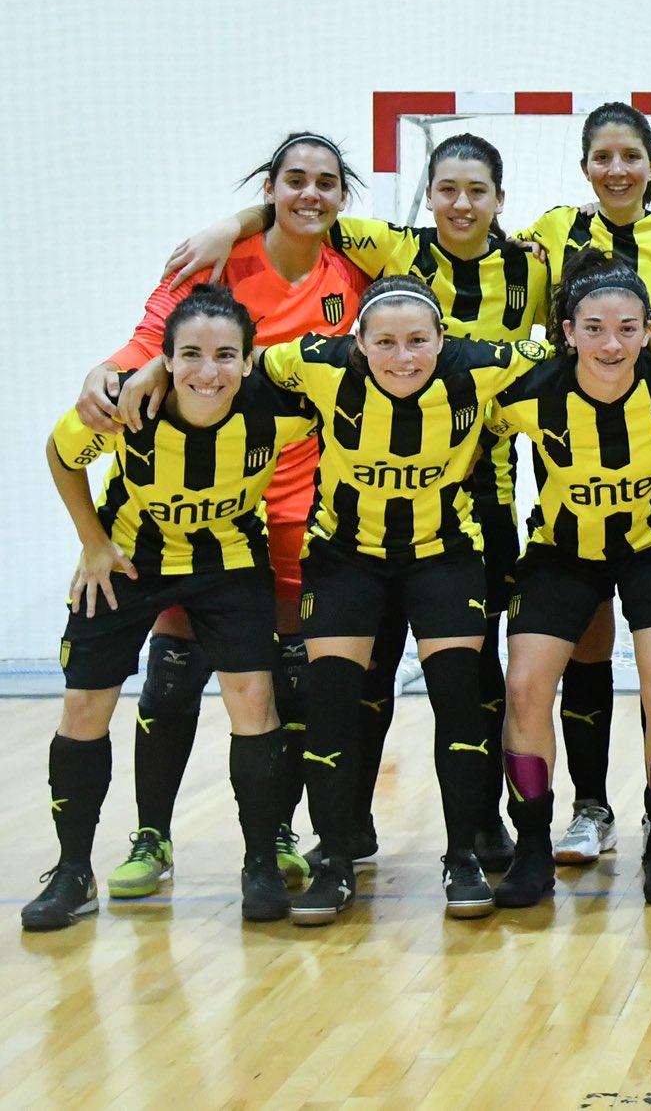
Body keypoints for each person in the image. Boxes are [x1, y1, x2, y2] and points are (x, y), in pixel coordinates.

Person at [173, 132, 550, 870]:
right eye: (448, 188)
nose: (462, 203)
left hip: (479, 494)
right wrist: (230, 225)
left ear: (501, 202)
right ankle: (347, 827)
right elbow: (304, 213)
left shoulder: (532, 266)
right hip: (364, 507)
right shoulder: (395, 251)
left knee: (473, 673)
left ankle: (482, 825)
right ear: (430, 193)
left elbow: (592, 319)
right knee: (358, 672)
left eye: (478, 191)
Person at [73, 132, 372, 900]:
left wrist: (241, 214)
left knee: (284, 681)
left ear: (344, 197)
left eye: (326, 183)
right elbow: (144, 349)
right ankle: (152, 835)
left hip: (301, 504)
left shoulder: (359, 270)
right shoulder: (215, 264)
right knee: (173, 675)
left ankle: (273, 828)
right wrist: (104, 376)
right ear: (268, 186)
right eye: (293, 180)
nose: (310, 193)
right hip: (196, 513)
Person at [252, 274, 548, 923]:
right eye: (384, 342)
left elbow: (577, 354)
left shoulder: (481, 365)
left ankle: (463, 856)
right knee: (331, 705)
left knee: (460, 702)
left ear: (445, 340)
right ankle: (333, 860)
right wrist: (151, 374)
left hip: (444, 552)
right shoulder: (316, 363)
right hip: (344, 556)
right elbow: (248, 361)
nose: (403, 356)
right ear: (356, 340)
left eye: (418, 340)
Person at [24, 288, 318, 930]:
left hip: (231, 562)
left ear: (248, 361)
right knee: (82, 706)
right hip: (131, 563)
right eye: (189, 355)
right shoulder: (130, 405)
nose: (207, 372)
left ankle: (261, 862)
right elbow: (59, 452)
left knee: (253, 701)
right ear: (166, 358)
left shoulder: (282, 408)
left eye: (223, 356)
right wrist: (92, 543)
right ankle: (73, 872)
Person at [513, 102, 651, 870]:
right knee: (580, 656)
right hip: (569, 467)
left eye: (630, 155)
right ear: (584, 169)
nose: (616, 169)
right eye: (601, 156)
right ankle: (588, 808)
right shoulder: (546, 234)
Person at [489, 253, 651, 909]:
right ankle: (532, 845)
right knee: (526, 686)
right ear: (566, 331)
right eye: (594, 328)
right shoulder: (531, 386)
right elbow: (449, 364)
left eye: (628, 327)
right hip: (562, 550)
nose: (611, 343)